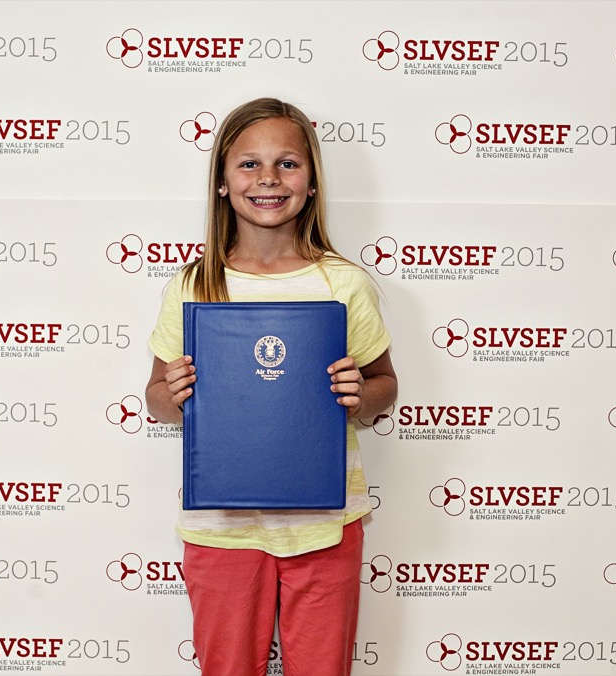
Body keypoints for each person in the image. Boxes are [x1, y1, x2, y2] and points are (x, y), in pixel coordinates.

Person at [145, 97, 397, 676]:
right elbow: (157, 397)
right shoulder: (194, 284)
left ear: (312, 182)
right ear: (221, 182)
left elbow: (384, 383)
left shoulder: (342, 282)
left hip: (325, 524)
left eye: (287, 163)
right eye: (248, 164)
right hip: (221, 528)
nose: (268, 178)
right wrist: (174, 394)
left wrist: (362, 394)